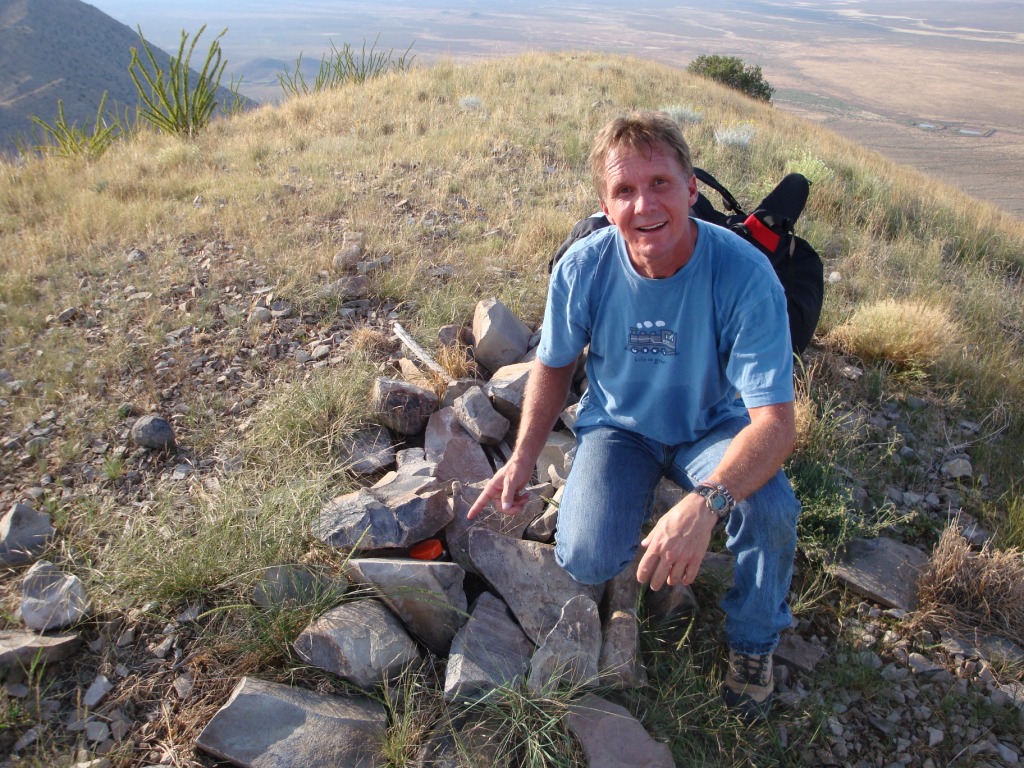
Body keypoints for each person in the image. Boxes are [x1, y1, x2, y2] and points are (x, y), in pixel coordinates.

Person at [467, 110, 801, 721]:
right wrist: (520, 457)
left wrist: (708, 503)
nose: (644, 204)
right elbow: (554, 364)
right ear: (605, 201)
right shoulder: (584, 267)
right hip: (620, 428)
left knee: (771, 507)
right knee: (587, 557)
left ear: (692, 188)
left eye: (661, 184)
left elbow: (776, 425)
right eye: (624, 190)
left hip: (713, 428)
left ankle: (754, 642)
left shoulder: (745, 275)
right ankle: (653, 525)